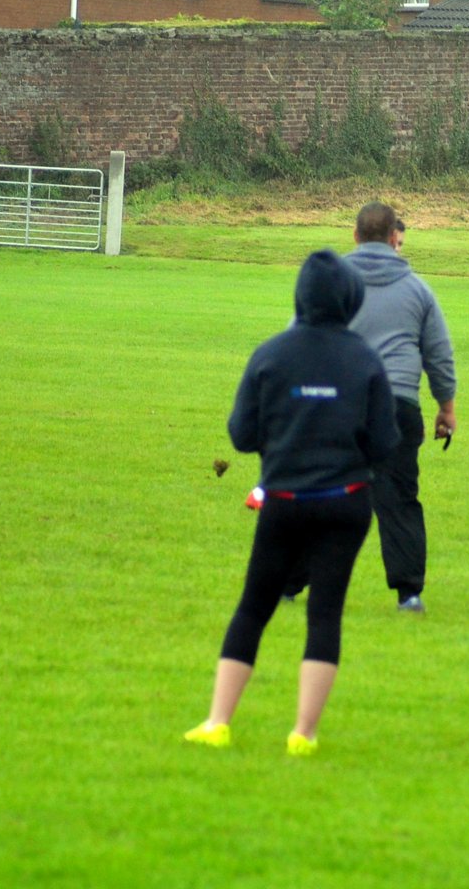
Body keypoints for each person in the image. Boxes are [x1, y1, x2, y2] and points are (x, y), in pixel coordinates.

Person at [184, 250, 399, 756]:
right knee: (325, 613)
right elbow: (384, 443)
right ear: (350, 299)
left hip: (284, 499)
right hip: (347, 502)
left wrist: (283, 439)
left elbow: (241, 435)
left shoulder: (272, 354)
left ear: (300, 296)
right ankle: (304, 732)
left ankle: (218, 722)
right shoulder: (366, 360)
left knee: (254, 606)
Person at [345, 203, 457, 614]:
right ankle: (409, 593)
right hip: (398, 404)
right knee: (399, 498)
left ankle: (290, 582)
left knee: (321, 490)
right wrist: (446, 407)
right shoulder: (417, 290)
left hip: (342, 402)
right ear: (395, 238)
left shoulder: (333, 281)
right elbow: (438, 355)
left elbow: (304, 336)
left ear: (355, 236)